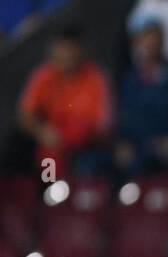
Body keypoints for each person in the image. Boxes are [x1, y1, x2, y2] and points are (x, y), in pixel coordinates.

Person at [114, 14, 168, 179]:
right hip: (139, 146)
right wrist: (123, 142)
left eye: (153, 38)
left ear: (162, 41)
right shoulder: (130, 79)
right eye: (144, 39)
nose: (149, 44)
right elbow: (124, 116)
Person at [17, 26, 112, 175]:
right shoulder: (43, 76)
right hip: (50, 141)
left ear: (81, 50)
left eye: (72, 49)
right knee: (37, 155)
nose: (67, 54)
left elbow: (102, 126)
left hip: (84, 145)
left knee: (88, 162)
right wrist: (42, 132)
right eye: (63, 48)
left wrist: (70, 138)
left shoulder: (95, 77)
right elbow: (25, 116)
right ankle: (48, 192)